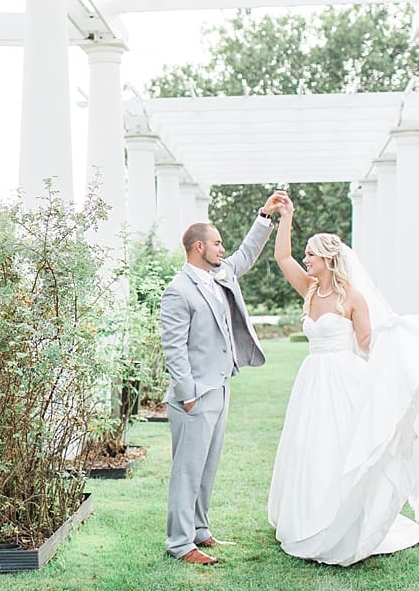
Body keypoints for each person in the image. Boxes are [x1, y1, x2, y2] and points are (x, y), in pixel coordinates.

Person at [266, 193, 419, 566]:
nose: (306, 259)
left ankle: (344, 520)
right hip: (312, 381)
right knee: (310, 446)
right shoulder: (309, 290)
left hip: (344, 379)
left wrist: (394, 337)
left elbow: (365, 343)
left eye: (311, 254)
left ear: (328, 259)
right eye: (306, 254)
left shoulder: (353, 298)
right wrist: (286, 217)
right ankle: (308, 516)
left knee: (342, 445)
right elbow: (282, 257)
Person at [161, 190, 289, 565]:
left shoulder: (219, 275)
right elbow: (174, 349)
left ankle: (200, 530)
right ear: (199, 247)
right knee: (187, 471)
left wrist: (265, 216)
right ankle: (180, 543)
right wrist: (188, 394)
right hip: (195, 395)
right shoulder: (178, 291)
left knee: (207, 467)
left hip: (220, 387)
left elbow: (246, 254)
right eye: (217, 243)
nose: (223, 248)